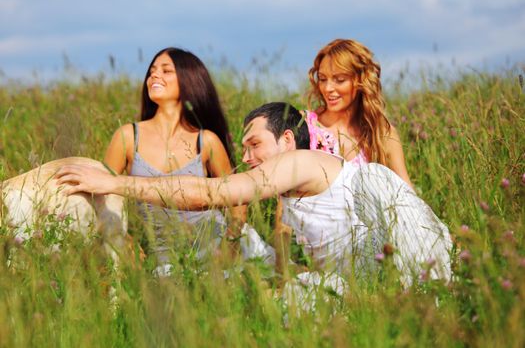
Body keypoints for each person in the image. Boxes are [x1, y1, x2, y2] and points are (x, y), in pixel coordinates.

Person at [57, 102, 452, 286]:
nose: (246, 158)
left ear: (285, 138)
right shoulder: (293, 185)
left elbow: (206, 194)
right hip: (379, 277)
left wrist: (115, 184)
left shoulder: (297, 161)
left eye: (254, 145)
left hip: (404, 260)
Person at [103, 47, 244, 270]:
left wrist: (229, 245)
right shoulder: (128, 137)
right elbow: (102, 197)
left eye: (166, 71)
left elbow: (237, 199)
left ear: (189, 80)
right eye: (152, 71)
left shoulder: (206, 141)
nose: (154, 76)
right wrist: (127, 242)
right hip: (159, 256)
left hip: (213, 249)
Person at [305, 38, 412, 186]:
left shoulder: (382, 134)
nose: (327, 88)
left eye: (339, 80)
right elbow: (286, 198)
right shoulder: (305, 127)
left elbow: (406, 192)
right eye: (323, 79)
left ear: (361, 81)